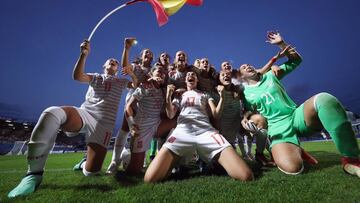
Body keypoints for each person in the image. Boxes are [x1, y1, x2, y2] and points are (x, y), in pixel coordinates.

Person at [8, 40, 138, 198]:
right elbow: (77, 76)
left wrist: (131, 73)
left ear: (117, 69)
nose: (113, 62)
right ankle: (33, 175)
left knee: (91, 172)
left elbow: (136, 85)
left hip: (104, 125)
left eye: (116, 62)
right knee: (51, 113)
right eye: (110, 61)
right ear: (104, 66)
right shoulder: (96, 77)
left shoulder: (121, 81)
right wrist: (83, 55)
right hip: (85, 114)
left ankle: (84, 162)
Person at [240, 31, 360, 176]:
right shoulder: (246, 92)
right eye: (243, 67)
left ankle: (351, 159)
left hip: (296, 116)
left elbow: (296, 60)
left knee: (324, 99)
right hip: (277, 128)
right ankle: (294, 150)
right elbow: (248, 111)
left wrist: (281, 44)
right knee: (292, 168)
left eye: (249, 64)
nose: (248, 66)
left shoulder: (271, 75)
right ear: (242, 76)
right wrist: (245, 119)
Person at [143, 72, 254, 183]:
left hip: (206, 132)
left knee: (246, 176)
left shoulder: (205, 94)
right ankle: (175, 161)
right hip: (182, 132)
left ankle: (210, 161)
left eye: (193, 75)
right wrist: (168, 96)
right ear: (185, 81)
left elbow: (216, 114)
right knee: (150, 179)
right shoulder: (179, 95)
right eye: (188, 75)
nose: (190, 75)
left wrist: (222, 97)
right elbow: (170, 114)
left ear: (197, 80)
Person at [106, 38, 153, 173]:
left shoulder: (154, 69)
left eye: (151, 54)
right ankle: (115, 161)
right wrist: (126, 49)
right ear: (141, 56)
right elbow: (125, 65)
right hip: (133, 100)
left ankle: (141, 160)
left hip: (147, 103)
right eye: (146, 53)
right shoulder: (136, 66)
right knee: (125, 129)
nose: (149, 55)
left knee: (141, 132)